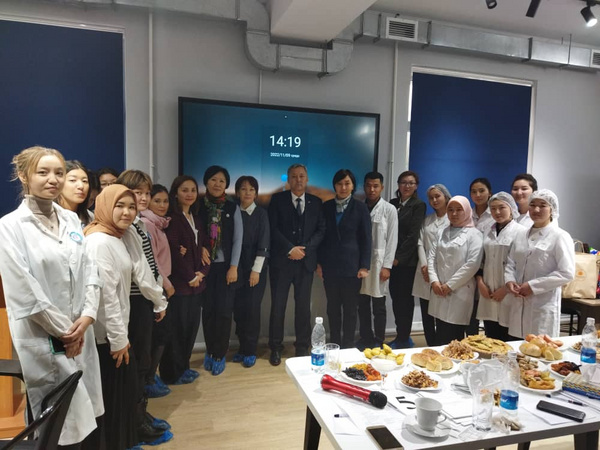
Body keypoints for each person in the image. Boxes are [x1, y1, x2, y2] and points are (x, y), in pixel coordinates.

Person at [0, 146, 104, 447]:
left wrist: (88, 316)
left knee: (82, 421)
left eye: (59, 172)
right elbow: (24, 291)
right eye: (43, 172)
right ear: (24, 176)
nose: (53, 179)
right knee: (53, 425)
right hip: (46, 337)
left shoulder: (71, 220)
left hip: (79, 332)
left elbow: (90, 269)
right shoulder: (10, 227)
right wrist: (66, 333)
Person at [84, 184, 141, 450]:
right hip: (105, 338)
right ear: (105, 206)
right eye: (120, 206)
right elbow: (105, 296)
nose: (127, 212)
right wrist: (118, 339)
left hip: (114, 333)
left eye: (131, 207)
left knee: (119, 396)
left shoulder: (115, 237)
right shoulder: (98, 241)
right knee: (112, 398)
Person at [115, 170, 169, 443]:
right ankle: (135, 424)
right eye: (138, 193)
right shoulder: (125, 225)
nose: (144, 198)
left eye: (146, 192)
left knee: (143, 363)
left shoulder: (138, 224)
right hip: (134, 301)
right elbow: (140, 271)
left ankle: (140, 416)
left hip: (145, 300)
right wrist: (158, 298)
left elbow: (151, 265)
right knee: (136, 364)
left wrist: (157, 298)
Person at [268, 164, 325, 365]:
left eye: (301, 176)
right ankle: (275, 347)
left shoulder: (316, 202)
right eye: (293, 176)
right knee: (278, 307)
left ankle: (302, 347)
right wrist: (289, 248)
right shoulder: (277, 200)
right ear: (288, 179)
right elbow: (272, 229)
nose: (298, 180)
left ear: (307, 178)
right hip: (281, 263)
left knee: (303, 308)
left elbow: (321, 230)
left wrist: (304, 249)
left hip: (305, 264)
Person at [505, 189, 575, 338]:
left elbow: (567, 273)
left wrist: (532, 286)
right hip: (518, 302)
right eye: (532, 205)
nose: (536, 210)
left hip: (542, 306)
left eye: (542, 205)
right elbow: (511, 262)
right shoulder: (521, 235)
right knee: (516, 346)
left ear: (552, 210)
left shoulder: (560, 236)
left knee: (539, 347)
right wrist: (509, 280)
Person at [161, 176, 210, 381]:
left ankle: (184, 367)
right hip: (181, 286)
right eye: (184, 190)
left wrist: (202, 273)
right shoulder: (172, 220)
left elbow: (206, 249)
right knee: (177, 331)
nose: (189, 194)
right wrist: (190, 276)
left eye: (192, 190)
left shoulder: (196, 219)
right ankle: (173, 373)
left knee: (190, 329)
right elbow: (173, 252)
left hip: (197, 286)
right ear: (175, 193)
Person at [318, 169, 371, 348]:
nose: (343, 187)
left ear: (353, 186)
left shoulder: (360, 207)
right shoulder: (326, 207)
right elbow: (321, 237)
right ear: (334, 185)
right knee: (332, 308)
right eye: (340, 183)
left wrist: (364, 266)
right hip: (330, 267)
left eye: (347, 183)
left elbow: (366, 238)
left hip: (352, 268)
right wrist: (319, 263)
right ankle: (334, 343)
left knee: (350, 310)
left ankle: (348, 345)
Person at [198, 166, 242, 376]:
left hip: (226, 268)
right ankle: (209, 350)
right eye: (213, 179)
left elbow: (238, 239)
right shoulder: (198, 206)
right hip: (204, 268)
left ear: (226, 185)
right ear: (206, 182)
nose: (217, 184)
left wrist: (234, 266)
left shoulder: (232, 208)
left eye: (222, 181)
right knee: (208, 311)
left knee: (224, 312)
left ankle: (220, 354)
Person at [428, 195, 483, 344]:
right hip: (439, 290)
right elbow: (431, 258)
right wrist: (434, 281)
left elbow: (472, 264)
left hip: (460, 291)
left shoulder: (475, 235)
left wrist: (450, 285)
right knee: (440, 332)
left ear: (467, 211)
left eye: (459, 210)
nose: (454, 213)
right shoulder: (441, 232)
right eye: (450, 210)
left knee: (453, 336)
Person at [139, 184, 175, 397]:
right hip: (157, 287)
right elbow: (152, 261)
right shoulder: (147, 224)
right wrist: (167, 285)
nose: (162, 205)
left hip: (160, 285)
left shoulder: (159, 224)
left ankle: (151, 376)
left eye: (165, 201)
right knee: (158, 336)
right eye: (157, 201)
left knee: (161, 335)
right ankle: (148, 380)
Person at [475, 192, 525, 341]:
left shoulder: (521, 232)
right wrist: (480, 283)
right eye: (493, 208)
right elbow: (481, 260)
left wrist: (506, 289)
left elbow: (522, 266)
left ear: (511, 208)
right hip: (488, 291)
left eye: (502, 207)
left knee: (508, 336)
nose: (497, 212)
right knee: (491, 337)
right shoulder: (487, 231)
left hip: (509, 292)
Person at [232, 176, 270, 368]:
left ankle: (250, 350)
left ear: (256, 193)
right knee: (238, 309)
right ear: (237, 192)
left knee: (252, 310)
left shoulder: (261, 214)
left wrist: (256, 271)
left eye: (251, 189)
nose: (247, 193)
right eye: (243, 189)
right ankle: (241, 347)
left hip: (255, 270)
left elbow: (264, 243)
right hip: (235, 270)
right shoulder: (233, 212)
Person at [357, 172, 397, 350]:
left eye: (375, 186)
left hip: (380, 263)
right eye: (368, 185)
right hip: (361, 263)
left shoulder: (389, 209)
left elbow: (392, 239)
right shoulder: (359, 207)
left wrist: (387, 266)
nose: (371, 189)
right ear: (364, 187)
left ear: (382, 187)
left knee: (379, 305)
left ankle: (379, 340)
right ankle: (365, 338)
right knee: (362, 303)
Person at [388, 170, 426, 349]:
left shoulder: (418, 205)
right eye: (403, 182)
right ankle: (399, 335)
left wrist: (398, 258)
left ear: (416, 186)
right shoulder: (393, 204)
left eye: (411, 183)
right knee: (396, 299)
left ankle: (404, 338)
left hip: (406, 263)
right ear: (398, 184)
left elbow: (413, 236)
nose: (407, 186)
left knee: (405, 301)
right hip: (390, 260)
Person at [412, 184, 451, 346]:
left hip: (443, 270)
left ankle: (442, 344)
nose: (434, 200)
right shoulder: (427, 221)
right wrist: (424, 265)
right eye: (431, 198)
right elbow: (420, 243)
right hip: (425, 270)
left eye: (437, 196)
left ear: (446, 197)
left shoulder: (453, 219)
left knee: (442, 311)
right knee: (426, 311)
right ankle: (430, 344)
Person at [467, 177, 494, 336]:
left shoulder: (495, 214)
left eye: (482, 191)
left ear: (490, 192)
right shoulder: (467, 214)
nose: (478, 195)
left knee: (488, 313)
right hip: (469, 269)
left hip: (487, 270)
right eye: (474, 191)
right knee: (470, 313)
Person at [57, 160, 93, 226]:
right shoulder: (48, 214)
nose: (81, 186)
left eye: (84, 181)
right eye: (72, 180)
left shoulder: (90, 217)